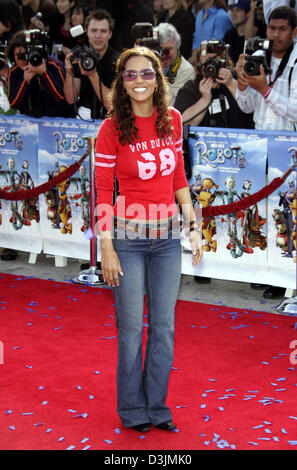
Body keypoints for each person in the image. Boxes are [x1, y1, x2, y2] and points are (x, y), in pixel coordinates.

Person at [94, 46, 202, 431]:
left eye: (146, 73)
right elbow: (103, 189)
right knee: (131, 330)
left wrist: (193, 226)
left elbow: (179, 179)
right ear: (121, 83)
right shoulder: (110, 129)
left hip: (168, 240)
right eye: (130, 75)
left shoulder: (171, 119)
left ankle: (157, 407)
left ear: (158, 78)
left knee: (164, 327)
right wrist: (106, 245)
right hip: (127, 239)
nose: (139, 81)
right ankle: (132, 410)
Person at [236, 5, 297, 298]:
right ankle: (265, 269)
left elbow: (295, 110)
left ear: (294, 32)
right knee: (262, 209)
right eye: (271, 29)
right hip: (260, 143)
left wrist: (265, 89)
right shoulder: (257, 57)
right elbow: (246, 107)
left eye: (282, 29)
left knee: (287, 213)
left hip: (289, 145)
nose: (275, 35)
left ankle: (286, 276)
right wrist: (242, 84)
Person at [64, 9, 119, 120]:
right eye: (93, 31)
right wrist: (69, 73)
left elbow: (112, 105)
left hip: (108, 122)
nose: (98, 36)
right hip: (82, 121)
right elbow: (71, 99)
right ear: (86, 31)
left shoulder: (119, 61)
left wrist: (92, 75)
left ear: (110, 34)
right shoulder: (79, 57)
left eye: (103, 31)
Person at [7, 30, 75, 117]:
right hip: (31, 119)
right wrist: (25, 82)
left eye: (25, 55)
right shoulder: (15, 71)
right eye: (18, 56)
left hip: (59, 117)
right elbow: (14, 104)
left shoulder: (53, 65)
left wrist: (44, 73)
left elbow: (60, 98)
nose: (21, 60)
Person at [157, 22, 196, 104]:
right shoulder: (147, 65)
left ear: (177, 47)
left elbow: (169, 104)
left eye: (169, 49)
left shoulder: (185, 70)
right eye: (160, 49)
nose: (164, 54)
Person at [191, 0, 233, 65]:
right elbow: (195, 39)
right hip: (199, 62)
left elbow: (216, 43)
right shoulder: (200, 14)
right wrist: (194, 58)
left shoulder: (221, 16)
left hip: (214, 63)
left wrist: (198, 56)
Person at [223, 0, 258, 65]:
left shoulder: (258, 32)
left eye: (238, 10)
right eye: (232, 10)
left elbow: (248, 38)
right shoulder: (229, 34)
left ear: (248, 13)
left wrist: (252, 12)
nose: (233, 14)